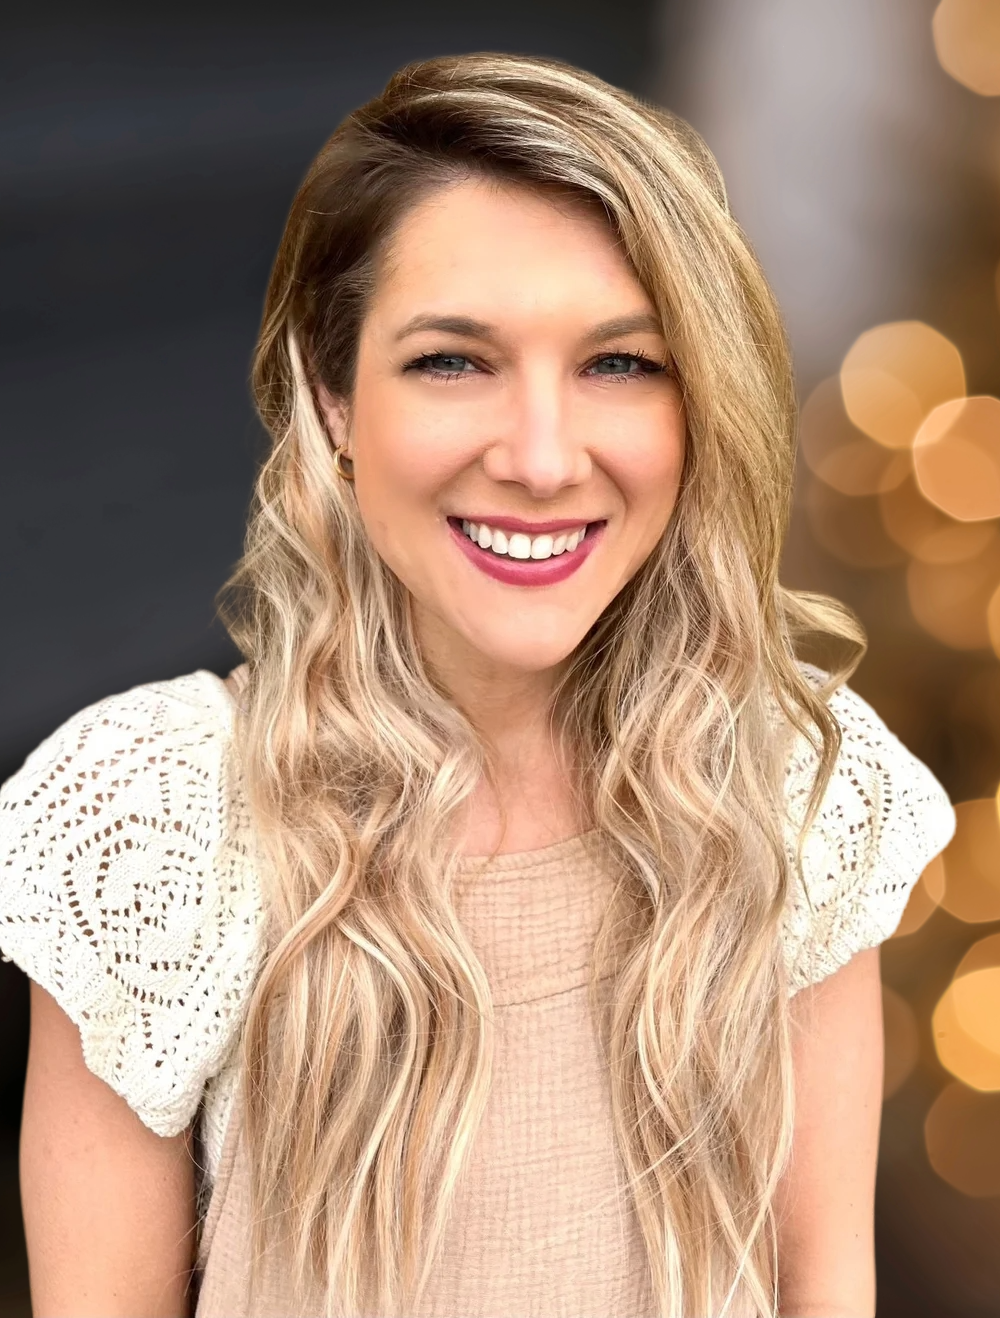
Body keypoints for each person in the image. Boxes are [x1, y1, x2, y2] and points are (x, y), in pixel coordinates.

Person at [1, 52, 954, 1318]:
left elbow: (825, 1289)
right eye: (453, 361)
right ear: (333, 399)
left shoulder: (792, 786)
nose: (544, 457)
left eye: (621, 363)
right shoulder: (153, 818)